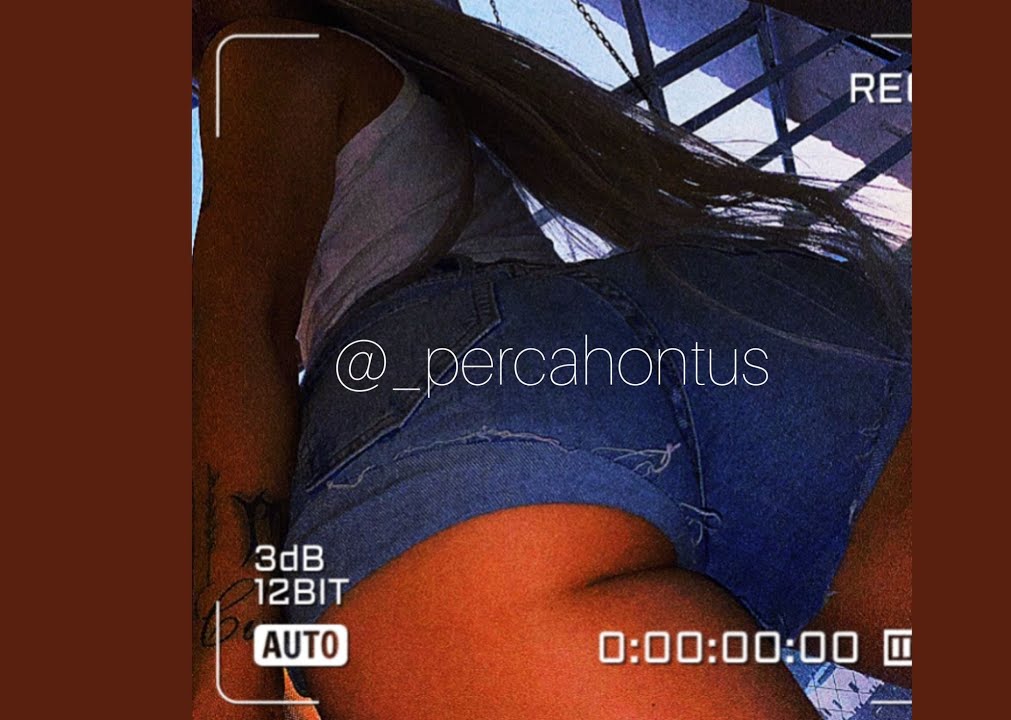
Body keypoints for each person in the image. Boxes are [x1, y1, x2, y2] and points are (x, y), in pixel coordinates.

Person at [191, 2, 912, 718]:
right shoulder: (398, 77)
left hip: (447, 404)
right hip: (701, 344)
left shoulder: (259, 52)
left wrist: (228, 688)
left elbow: (238, 324)